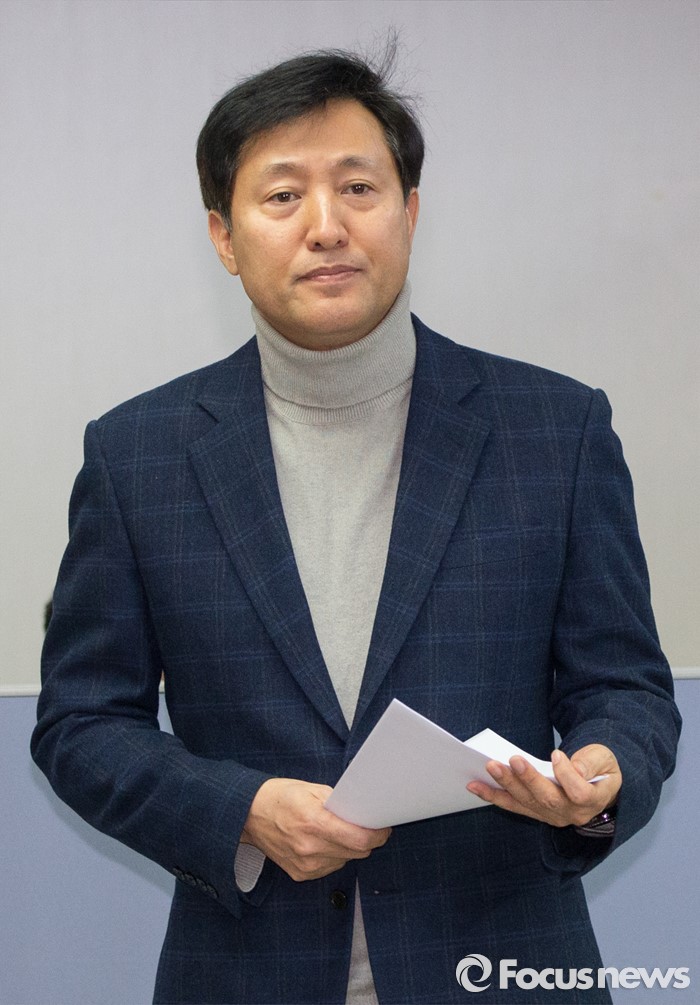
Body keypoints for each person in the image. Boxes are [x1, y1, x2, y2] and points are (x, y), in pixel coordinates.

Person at [32, 46, 681, 1005]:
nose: (327, 226)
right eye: (282, 196)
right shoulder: (138, 454)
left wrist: (604, 769)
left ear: (410, 212)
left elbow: (625, 686)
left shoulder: (557, 429)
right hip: (246, 974)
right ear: (223, 236)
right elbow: (81, 723)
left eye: (359, 187)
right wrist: (243, 810)